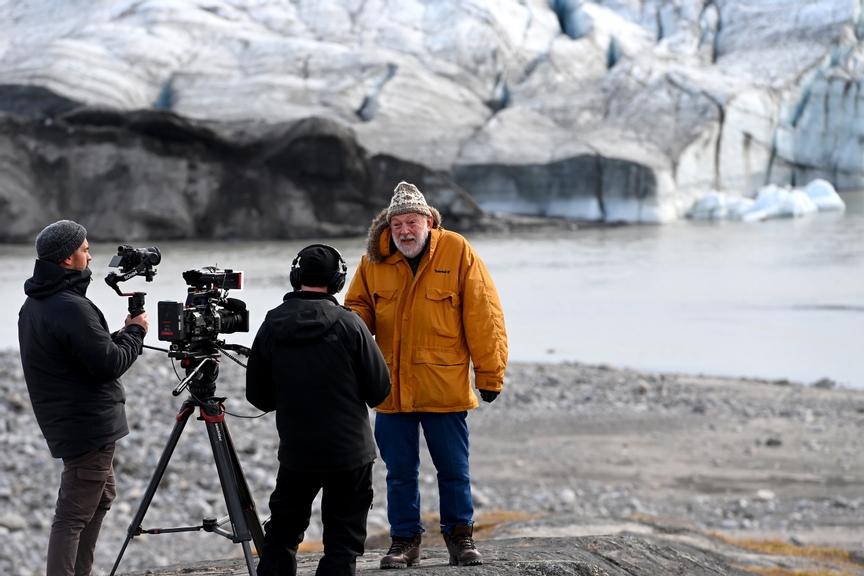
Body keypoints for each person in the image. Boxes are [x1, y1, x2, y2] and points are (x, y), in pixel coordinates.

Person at [344, 181, 508, 568]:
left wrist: (490, 374)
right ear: (388, 226)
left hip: (444, 385)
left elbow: (485, 316)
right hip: (391, 388)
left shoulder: (457, 250)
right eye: (397, 223)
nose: (405, 231)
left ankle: (461, 539)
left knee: (453, 470)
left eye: (412, 221)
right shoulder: (373, 261)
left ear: (429, 221)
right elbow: (357, 309)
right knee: (399, 473)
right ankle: (404, 541)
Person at [246, 244, 392, 576]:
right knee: (343, 542)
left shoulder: (271, 324)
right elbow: (380, 391)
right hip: (350, 453)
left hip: (298, 453)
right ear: (338, 281)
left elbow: (258, 395)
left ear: (296, 277)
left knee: (281, 534)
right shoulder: (350, 324)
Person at [17, 219, 149, 576]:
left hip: (67, 422)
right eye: (85, 250)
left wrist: (120, 334)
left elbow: (81, 353)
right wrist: (135, 333)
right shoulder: (70, 307)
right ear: (67, 259)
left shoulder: (36, 304)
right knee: (72, 515)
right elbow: (109, 364)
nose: (90, 258)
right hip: (87, 427)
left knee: (101, 497)